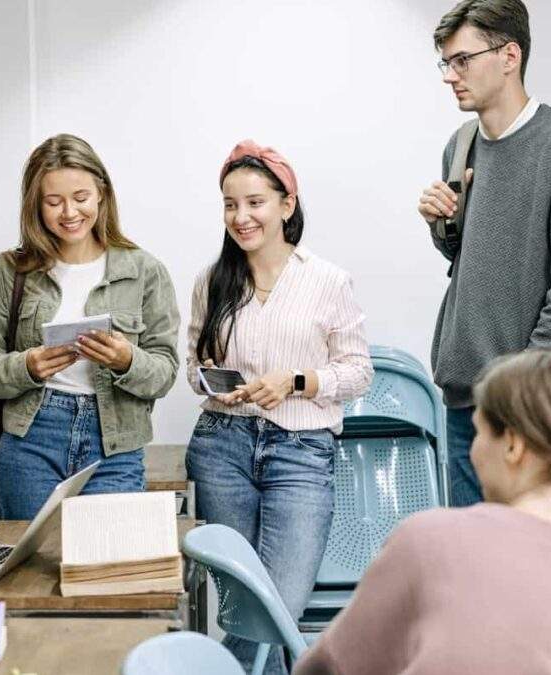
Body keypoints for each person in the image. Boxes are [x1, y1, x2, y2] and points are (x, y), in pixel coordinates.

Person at [294, 350, 551, 675]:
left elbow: (328, 668)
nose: (472, 452)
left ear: (513, 446)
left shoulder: (431, 541)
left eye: (478, 434)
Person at [186, 139, 373, 674]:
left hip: (301, 452)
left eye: (254, 202)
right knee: (242, 605)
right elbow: (192, 369)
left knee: (277, 607)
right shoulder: (213, 280)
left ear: (287, 205)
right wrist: (215, 384)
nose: (240, 217)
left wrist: (296, 381)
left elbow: (358, 372)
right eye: (229, 204)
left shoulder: (328, 281)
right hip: (222, 448)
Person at [417, 0, 551, 506]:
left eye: (462, 60)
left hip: (542, 407)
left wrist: (521, 387)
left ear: (509, 55)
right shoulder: (460, 146)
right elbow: (470, 259)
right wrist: (442, 225)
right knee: (477, 571)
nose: (450, 76)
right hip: (468, 404)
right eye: (447, 63)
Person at [0, 133, 180, 519]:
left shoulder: (144, 271)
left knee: (106, 569)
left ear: (101, 193)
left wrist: (126, 360)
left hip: (115, 443)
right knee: (27, 572)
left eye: (80, 197)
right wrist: (27, 366)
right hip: (31, 438)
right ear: (35, 205)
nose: (69, 212)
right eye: (53, 201)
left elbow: (165, 373)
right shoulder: (10, 271)